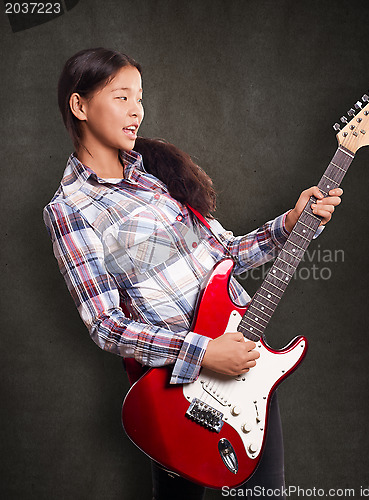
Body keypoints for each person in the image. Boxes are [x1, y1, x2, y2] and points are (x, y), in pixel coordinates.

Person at [43, 48, 343, 500]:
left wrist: (293, 221)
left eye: (140, 98)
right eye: (121, 97)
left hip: (244, 372)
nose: (136, 111)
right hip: (178, 393)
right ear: (79, 105)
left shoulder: (155, 176)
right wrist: (203, 352)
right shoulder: (70, 210)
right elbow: (106, 326)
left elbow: (225, 254)